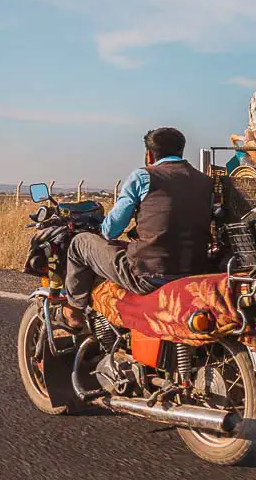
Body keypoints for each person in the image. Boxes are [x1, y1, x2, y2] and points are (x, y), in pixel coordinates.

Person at [61, 127, 215, 330]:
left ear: (149, 154)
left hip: (148, 276)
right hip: (194, 272)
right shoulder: (206, 182)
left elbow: (111, 230)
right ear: (181, 151)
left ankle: (74, 310)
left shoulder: (144, 176)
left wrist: (101, 229)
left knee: (80, 243)